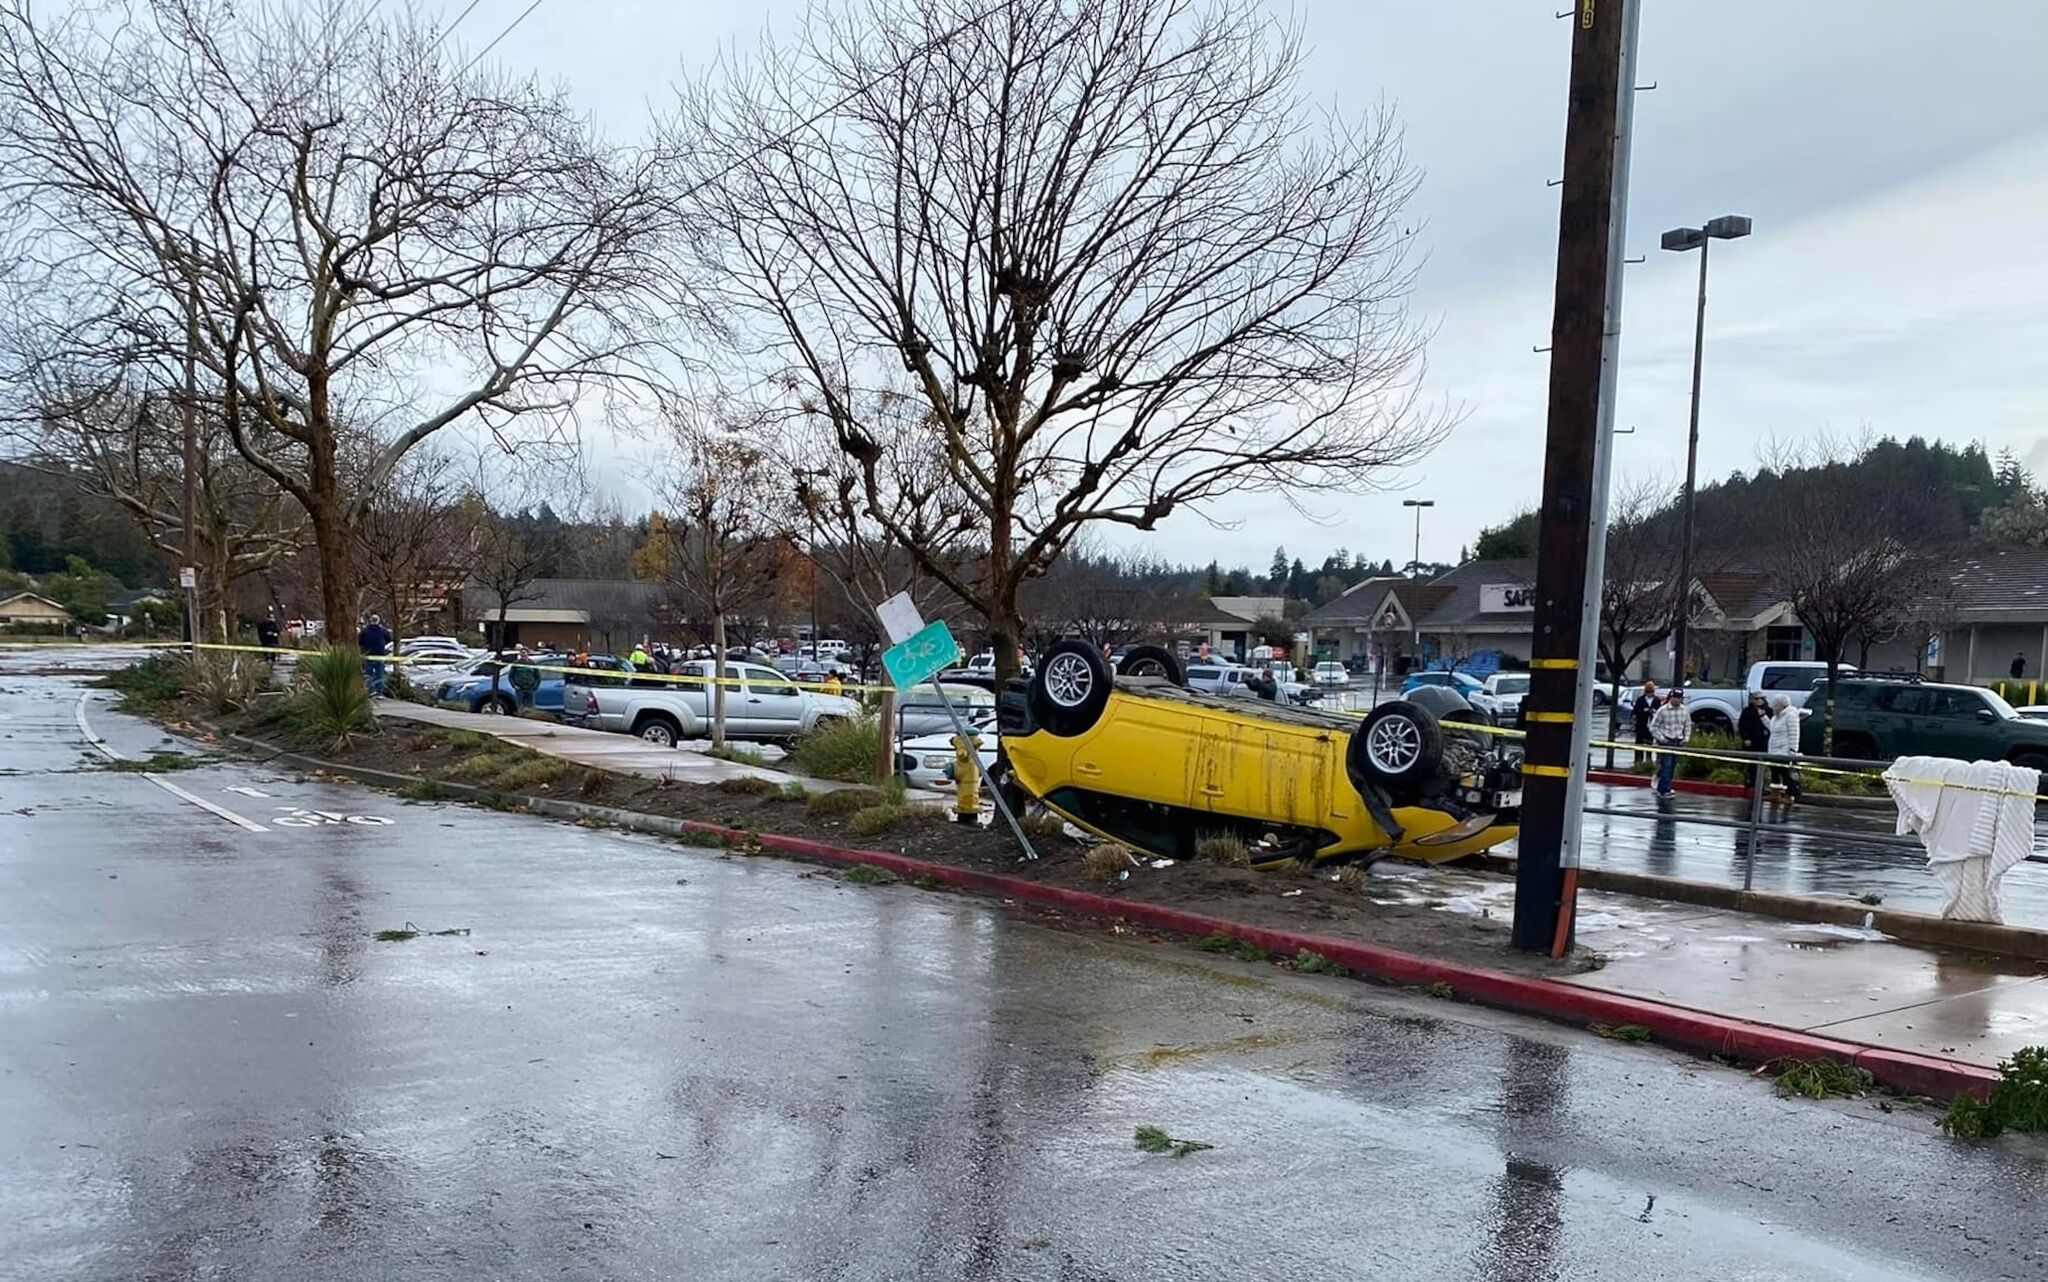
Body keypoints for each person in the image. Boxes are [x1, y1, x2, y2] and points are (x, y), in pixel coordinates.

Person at [1649, 688, 1691, 797]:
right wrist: (1661, 739)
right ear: (1671, 697)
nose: (1676, 700)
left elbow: (1687, 726)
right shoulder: (1662, 710)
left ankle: (1661, 784)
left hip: (1678, 741)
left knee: (1672, 766)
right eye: (1675, 697)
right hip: (1666, 741)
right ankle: (1664, 790)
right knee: (1666, 765)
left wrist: (1686, 738)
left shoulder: (1685, 710)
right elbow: (1653, 727)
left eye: (1679, 698)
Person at [1767, 695, 1803, 801]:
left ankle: (1789, 796)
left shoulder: (1791, 715)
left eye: (1775, 706)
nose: (1773, 708)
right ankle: (1775, 793)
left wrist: (1793, 750)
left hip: (1785, 751)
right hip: (1774, 750)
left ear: (1782, 705)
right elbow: (1771, 729)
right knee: (1775, 773)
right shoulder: (1775, 717)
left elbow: (1794, 733)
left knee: (1786, 774)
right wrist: (1763, 718)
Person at [357, 613, 391, 696]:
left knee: (369, 673)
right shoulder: (383, 630)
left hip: (368, 654)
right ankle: (379, 692)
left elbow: (360, 642)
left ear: (370, 621)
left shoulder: (364, 631)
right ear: (378, 621)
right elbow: (389, 639)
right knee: (379, 673)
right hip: (380, 655)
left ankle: (370, 690)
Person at [1631, 679, 1660, 745]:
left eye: (1651, 692)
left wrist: (1654, 711)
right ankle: (1638, 755)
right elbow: (1635, 711)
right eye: (1648, 692)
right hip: (1641, 725)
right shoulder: (1640, 699)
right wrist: (1643, 710)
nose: (1650, 694)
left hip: (1651, 725)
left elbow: (1659, 711)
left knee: (1649, 744)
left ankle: (1648, 755)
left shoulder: (1656, 700)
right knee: (1639, 745)